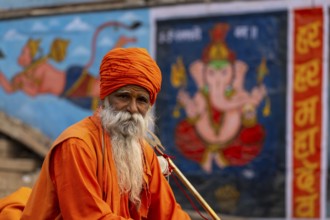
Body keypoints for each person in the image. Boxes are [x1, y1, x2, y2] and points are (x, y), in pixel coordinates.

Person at [19, 48, 191, 219]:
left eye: (141, 100)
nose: (132, 109)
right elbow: (89, 216)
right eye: (123, 97)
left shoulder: (143, 152)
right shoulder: (77, 144)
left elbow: (168, 213)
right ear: (106, 98)